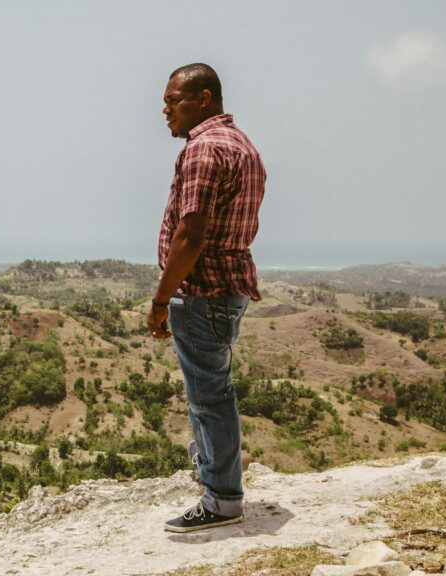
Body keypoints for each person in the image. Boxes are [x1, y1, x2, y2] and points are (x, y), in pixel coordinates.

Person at [147, 63, 265, 533]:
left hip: (203, 292)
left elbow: (190, 236)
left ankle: (221, 499)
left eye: (173, 100)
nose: (165, 110)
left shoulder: (203, 149)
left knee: (209, 397)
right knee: (213, 391)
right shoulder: (241, 144)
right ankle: (214, 465)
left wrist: (160, 300)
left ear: (203, 98)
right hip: (228, 286)